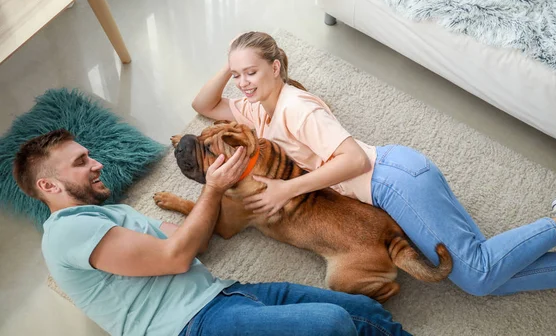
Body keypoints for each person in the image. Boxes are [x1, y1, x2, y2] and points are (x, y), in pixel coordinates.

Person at [192, 31, 556, 297]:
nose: (243, 82)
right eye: (238, 75)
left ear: (276, 68)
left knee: (477, 276)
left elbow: (352, 159)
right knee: (480, 266)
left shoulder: (296, 108)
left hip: (391, 181)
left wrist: (288, 189)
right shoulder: (255, 110)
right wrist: (231, 64)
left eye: (253, 72)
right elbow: (203, 105)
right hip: (395, 180)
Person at [13, 129, 409, 336]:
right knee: (331, 326)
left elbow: (195, 241)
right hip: (189, 326)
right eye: (82, 161)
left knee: (366, 313)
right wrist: (213, 188)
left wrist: (226, 188)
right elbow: (176, 256)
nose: (96, 163)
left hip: (226, 293)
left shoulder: (114, 215)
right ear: (49, 186)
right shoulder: (66, 233)